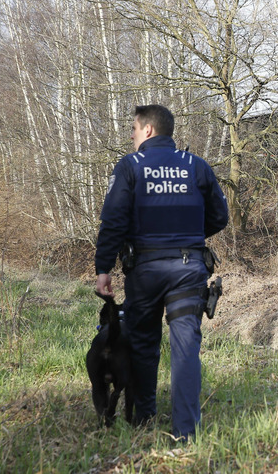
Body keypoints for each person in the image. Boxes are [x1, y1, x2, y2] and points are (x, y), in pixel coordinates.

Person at [95, 104, 229, 442]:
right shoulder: (196, 166)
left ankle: (144, 418)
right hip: (188, 268)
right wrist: (191, 235)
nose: (131, 135)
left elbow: (114, 220)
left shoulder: (131, 166)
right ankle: (186, 433)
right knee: (186, 348)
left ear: (149, 130)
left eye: (134, 129)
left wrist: (103, 268)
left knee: (143, 344)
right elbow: (220, 217)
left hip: (146, 270)